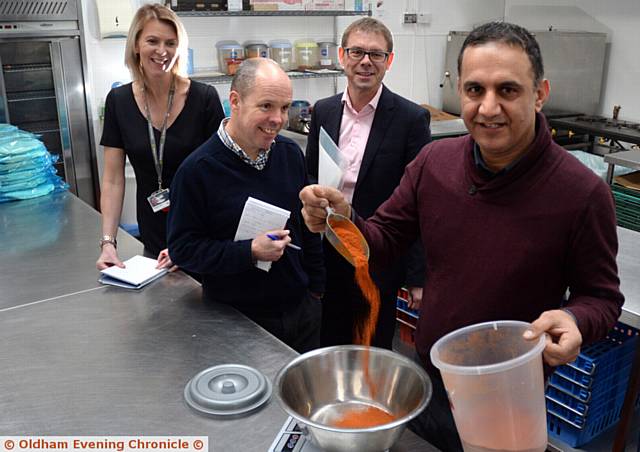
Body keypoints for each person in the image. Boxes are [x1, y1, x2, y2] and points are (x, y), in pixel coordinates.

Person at [300, 21, 624, 451]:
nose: (488, 108)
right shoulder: (434, 164)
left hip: (507, 392)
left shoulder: (581, 194)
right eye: (475, 90)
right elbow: (382, 240)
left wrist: (576, 319)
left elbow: (602, 299)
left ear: (540, 93)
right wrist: (344, 219)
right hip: (431, 373)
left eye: (507, 90)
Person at [167, 58, 325, 353]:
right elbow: (183, 250)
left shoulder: (290, 154)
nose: (278, 118)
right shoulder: (197, 171)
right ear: (235, 102)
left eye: (284, 107)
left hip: (301, 311)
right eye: (266, 106)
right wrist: (249, 251)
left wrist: (316, 288)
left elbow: (308, 227)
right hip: (237, 321)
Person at [305, 17, 431, 349]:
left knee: (371, 345)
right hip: (329, 249)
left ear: (389, 61)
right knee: (329, 339)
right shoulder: (324, 111)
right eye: (357, 51)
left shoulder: (410, 119)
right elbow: (310, 175)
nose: (365, 61)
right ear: (342, 56)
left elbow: (421, 201)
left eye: (376, 54)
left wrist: (417, 276)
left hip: (378, 256)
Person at [96, 4, 225, 271]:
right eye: (152, 41)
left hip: (202, 233)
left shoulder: (204, 98)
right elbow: (112, 179)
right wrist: (108, 242)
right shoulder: (118, 102)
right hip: (154, 233)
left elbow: (220, 176)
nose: (162, 51)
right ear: (136, 45)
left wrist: (188, 245)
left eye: (171, 43)